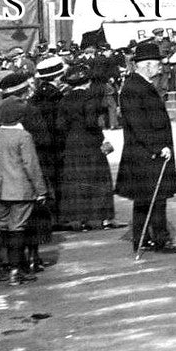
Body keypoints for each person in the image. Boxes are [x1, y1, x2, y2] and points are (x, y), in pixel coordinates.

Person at [115, 43, 176, 254]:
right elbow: (138, 123)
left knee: (144, 199)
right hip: (146, 154)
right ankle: (160, 240)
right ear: (147, 65)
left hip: (146, 153)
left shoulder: (139, 84)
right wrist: (157, 147)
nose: (160, 69)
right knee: (155, 199)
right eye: (158, 65)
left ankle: (142, 239)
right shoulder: (134, 87)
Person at [0, 98, 47, 285]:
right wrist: (41, 190)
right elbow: (31, 165)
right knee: (17, 228)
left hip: (0, 188)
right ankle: (15, 270)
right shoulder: (24, 136)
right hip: (21, 189)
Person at [56, 65, 118, 230]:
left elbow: (60, 125)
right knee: (99, 179)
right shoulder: (90, 98)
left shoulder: (64, 99)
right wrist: (101, 138)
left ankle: (80, 220)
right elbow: (92, 123)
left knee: (77, 181)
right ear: (88, 81)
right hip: (90, 143)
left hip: (72, 143)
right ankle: (103, 218)